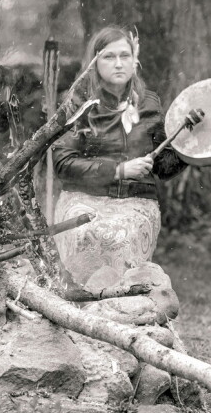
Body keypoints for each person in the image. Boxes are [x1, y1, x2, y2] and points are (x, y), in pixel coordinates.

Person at [52, 26, 190, 288]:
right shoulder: (77, 103)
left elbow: (164, 168)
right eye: (108, 56)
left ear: (134, 59)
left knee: (123, 236)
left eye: (124, 56)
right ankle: (81, 306)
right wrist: (118, 170)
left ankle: (124, 309)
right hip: (83, 198)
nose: (118, 64)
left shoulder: (149, 103)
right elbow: (63, 164)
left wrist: (188, 143)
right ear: (94, 62)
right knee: (85, 232)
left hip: (136, 202)